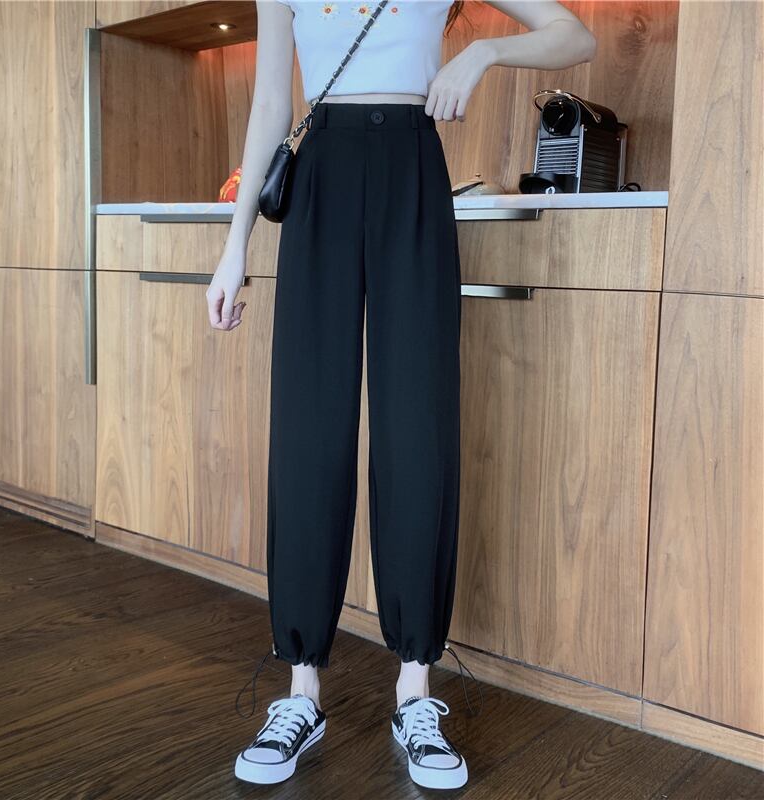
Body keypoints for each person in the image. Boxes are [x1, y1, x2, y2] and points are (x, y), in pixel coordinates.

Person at [206, 0, 596, 789]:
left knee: (417, 428)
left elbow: (575, 34)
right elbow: (272, 103)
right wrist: (235, 242)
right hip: (320, 180)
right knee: (309, 429)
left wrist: (482, 54)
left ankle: (415, 688)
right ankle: (301, 690)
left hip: (413, 171)